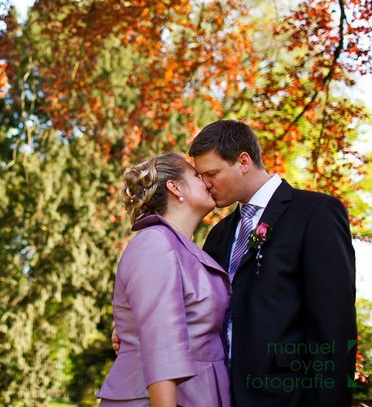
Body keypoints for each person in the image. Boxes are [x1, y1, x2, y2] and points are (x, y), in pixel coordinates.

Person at [187, 119, 357, 406]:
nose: (205, 184)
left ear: (243, 161)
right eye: (201, 176)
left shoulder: (316, 213)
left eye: (211, 173)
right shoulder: (218, 234)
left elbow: (334, 325)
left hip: (289, 397)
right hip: (220, 394)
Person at [97, 153, 231, 407]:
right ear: (175, 187)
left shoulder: (190, 251)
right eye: (197, 176)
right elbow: (161, 344)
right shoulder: (154, 242)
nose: (206, 182)